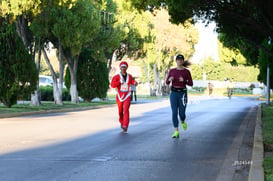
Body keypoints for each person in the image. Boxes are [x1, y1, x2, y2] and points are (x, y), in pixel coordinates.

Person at [166, 54, 193, 138]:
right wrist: (169, 80)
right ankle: (176, 131)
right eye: (178, 60)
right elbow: (167, 82)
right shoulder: (172, 71)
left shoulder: (186, 71)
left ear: (183, 61)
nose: (179, 61)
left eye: (181, 60)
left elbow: (191, 83)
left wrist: (184, 80)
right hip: (174, 93)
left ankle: (182, 120)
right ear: (176, 61)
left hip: (182, 94)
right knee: (174, 112)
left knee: (182, 113)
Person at [110, 61, 137, 133]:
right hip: (119, 95)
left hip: (127, 95)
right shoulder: (116, 77)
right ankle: (121, 121)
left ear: (126, 68)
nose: (123, 68)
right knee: (120, 111)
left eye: (124, 67)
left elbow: (132, 81)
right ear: (120, 68)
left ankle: (125, 125)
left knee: (126, 110)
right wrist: (119, 82)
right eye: (122, 67)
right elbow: (112, 85)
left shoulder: (129, 76)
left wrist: (135, 83)